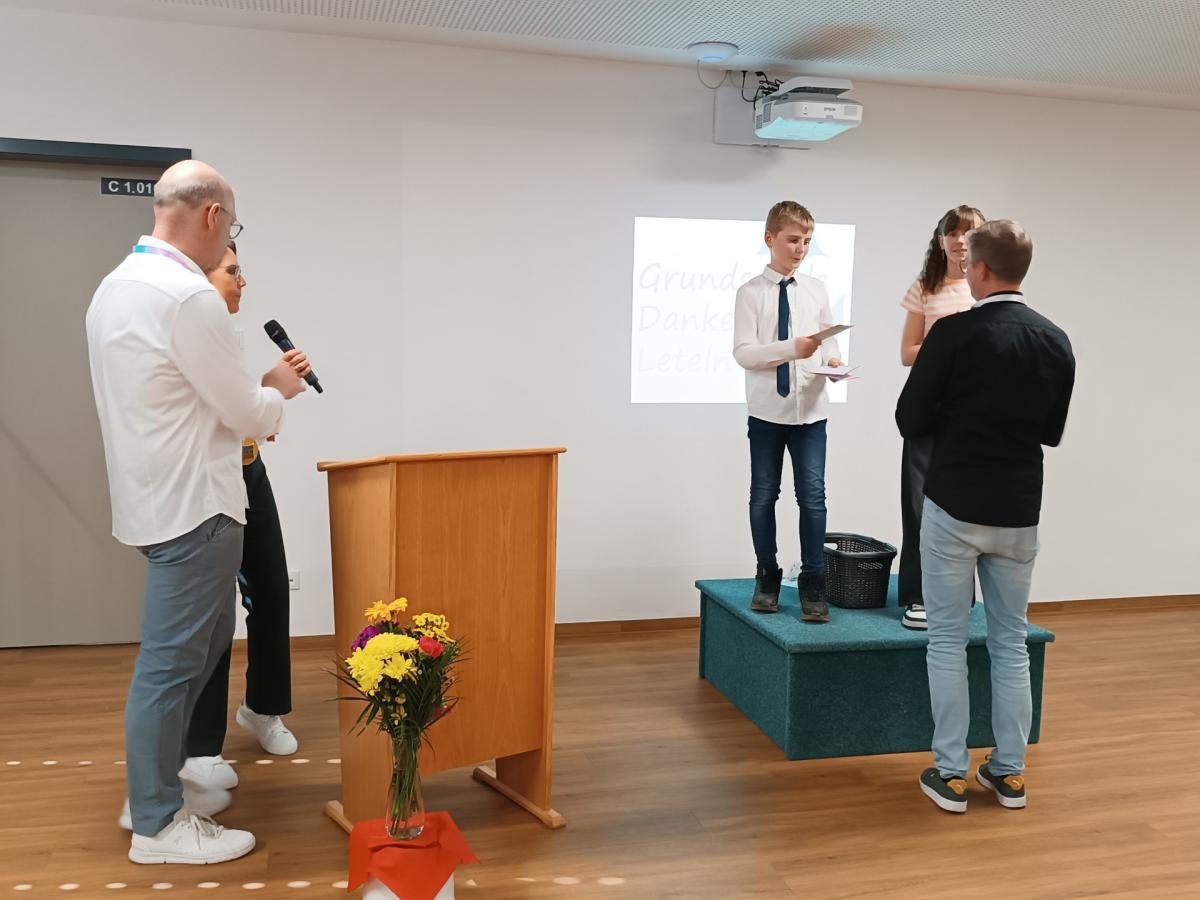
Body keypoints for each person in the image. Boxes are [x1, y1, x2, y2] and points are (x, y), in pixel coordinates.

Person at [86, 160, 308, 864]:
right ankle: (155, 824)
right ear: (213, 216)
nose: (229, 247)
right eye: (231, 228)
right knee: (170, 665)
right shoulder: (187, 296)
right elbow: (245, 411)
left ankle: (162, 788)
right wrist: (277, 390)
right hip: (196, 506)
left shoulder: (116, 286)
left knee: (198, 651)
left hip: (157, 499)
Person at [895, 219, 1075, 814]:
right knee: (1010, 642)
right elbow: (1050, 431)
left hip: (955, 505)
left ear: (982, 270)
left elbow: (909, 419)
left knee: (947, 641)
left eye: (968, 262)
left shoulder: (953, 333)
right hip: (1019, 510)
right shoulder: (1055, 339)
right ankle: (1009, 774)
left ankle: (950, 774)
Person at [181, 241, 300, 795]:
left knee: (272, 591)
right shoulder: (188, 328)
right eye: (232, 271)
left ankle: (263, 708)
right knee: (215, 615)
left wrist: (261, 407)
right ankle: (202, 748)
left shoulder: (227, 333)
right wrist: (270, 393)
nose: (242, 280)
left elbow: (236, 412)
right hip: (207, 486)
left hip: (248, 472)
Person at [733, 201, 844, 622]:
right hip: (767, 413)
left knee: (813, 498)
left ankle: (813, 580)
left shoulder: (816, 289)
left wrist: (833, 360)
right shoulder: (750, 293)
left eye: (807, 241)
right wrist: (789, 349)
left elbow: (827, 339)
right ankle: (767, 575)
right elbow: (744, 353)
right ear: (770, 238)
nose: (801, 249)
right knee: (763, 495)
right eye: (793, 240)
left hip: (811, 412)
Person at [897, 205, 986, 630]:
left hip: (969, 411)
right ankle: (917, 596)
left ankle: (958, 598)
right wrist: (947, 345)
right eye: (953, 233)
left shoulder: (983, 290)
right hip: (927, 407)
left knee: (963, 508)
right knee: (919, 504)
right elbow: (907, 353)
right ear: (940, 240)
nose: (960, 241)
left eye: (970, 233)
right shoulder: (924, 287)